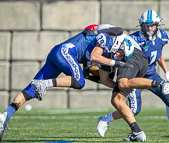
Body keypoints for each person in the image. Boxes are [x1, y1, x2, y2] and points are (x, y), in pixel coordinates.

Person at [0, 24, 134, 141]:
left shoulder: (106, 55)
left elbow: (105, 80)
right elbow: (94, 56)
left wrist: (122, 88)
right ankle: (45, 84)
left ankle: (4, 117)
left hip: (57, 55)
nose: (119, 57)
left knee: (31, 90)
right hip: (64, 52)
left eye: (122, 57)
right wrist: (115, 63)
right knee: (79, 81)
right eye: (121, 53)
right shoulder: (105, 38)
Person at [96, 10, 169, 140]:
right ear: (141, 25)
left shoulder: (163, 36)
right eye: (146, 25)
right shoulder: (134, 38)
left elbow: (158, 54)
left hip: (151, 74)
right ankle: (106, 119)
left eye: (152, 25)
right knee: (135, 109)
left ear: (158, 25)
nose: (149, 28)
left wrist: (167, 72)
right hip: (135, 76)